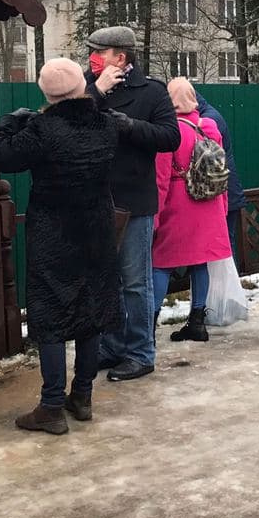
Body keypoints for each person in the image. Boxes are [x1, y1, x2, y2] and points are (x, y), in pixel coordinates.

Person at [0, 58, 121, 435]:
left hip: (53, 232)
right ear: (82, 84)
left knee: (51, 314)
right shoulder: (107, 125)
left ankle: (50, 405)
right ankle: (82, 395)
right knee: (92, 309)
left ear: (45, 92)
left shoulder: (42, 129)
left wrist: (9, 123)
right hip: (97, 229)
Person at [83, 25, 180, 383]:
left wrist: (128, 126)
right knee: (104, 279)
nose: (92, 57)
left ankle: (140, 351)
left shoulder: (151, 91)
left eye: (99, 51)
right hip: (94, 200)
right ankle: (112, 345)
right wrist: (95, 92)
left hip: (134, 202)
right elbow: (66, 124)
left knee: (135, 282)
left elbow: (170, 137)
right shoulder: (86, 87)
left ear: (120, 57)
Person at [152, 78, 231, 344]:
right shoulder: (209, 127)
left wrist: (155, 216)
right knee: (200, 263)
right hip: (209, 204)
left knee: (161, 263)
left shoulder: (169, 131)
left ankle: (147, 328)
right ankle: (197, 322)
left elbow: (161, 179)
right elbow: (220, 168)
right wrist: (223, 206)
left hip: (177, 204)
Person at [194, 91, 247, 267]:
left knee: (225, 243)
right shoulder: (209, 113)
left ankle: (230, 288)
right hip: (227, 188)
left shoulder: (208, 121)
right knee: (226, 241)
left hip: (222, 190)